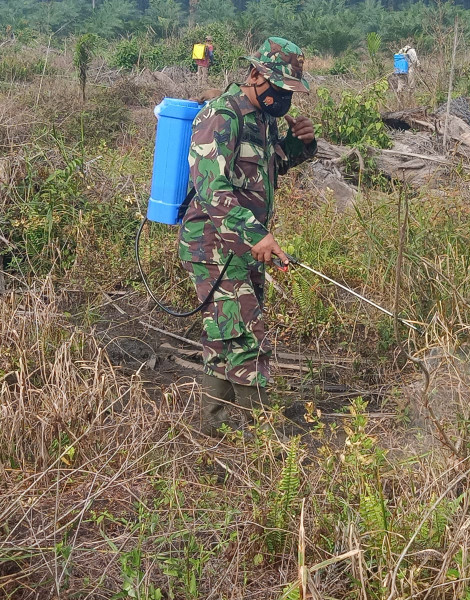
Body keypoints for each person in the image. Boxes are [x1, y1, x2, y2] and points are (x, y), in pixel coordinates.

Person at [179, 37, 317, 437]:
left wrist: (302, 144)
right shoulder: (221, 115)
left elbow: (270, 171)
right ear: (256, 74)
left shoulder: (263, 120)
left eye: (289, 91)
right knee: (248, 335)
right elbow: (210, 187)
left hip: (244, 247)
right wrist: (256, 234)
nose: (283, 97)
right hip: (213, 244)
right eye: (278, 88)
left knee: (226, 332)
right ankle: (262, 437)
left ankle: (214, 426)